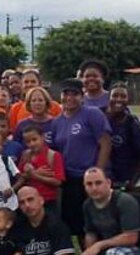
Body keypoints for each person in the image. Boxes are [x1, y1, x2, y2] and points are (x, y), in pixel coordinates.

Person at [52, 78, 112, 245]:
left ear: (82, 96)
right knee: (78, 225)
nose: (70, 98)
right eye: (66, 94)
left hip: (90, 178)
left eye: (75, 94)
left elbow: (105, 143)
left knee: (96, 223)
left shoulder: (92, 114)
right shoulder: (57, 122)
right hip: (69, 180)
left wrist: (98, 173)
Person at [104, 83, 140, 191]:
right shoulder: (100, 118)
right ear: (109, 97)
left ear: (128, 99)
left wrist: (132, 181)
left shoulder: (132, 123)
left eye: (123, 96)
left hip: (126, 181)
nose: (118, 99)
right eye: (115, 96)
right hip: (104, 179)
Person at [16, 126, 65, 215]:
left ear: (42, 137)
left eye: (34, 140)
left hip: (48, 200)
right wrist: (32, 173)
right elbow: (19, 175)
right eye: (28, 142)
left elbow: (58, 181)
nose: (32, 144)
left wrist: (35, 176)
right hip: (29, 201)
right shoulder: (25, 155)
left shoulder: (53, 155)